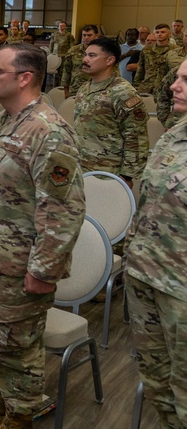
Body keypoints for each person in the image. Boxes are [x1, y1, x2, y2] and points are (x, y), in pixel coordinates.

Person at [0, 44, 85, 429]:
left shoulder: (49, 131)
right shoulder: (5, 121)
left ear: (25, 77)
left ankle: (20, 417)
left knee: (18, 347)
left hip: (20, 263)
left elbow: (62, 211)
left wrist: (43, 270)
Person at [125, 57, 187, 428]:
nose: (173, 86)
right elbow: (148, 201)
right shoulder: (173, 134)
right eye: (177, 77)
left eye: (184, 80)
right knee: (158, 385)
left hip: (181, 289)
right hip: (146, 276)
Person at [73, 37, 149, 185]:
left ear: (110, 60)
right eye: (86, 54)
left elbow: (136, 137)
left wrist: (126, 176)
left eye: (92, 55)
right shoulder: (84, 88)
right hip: (82, 169)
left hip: (108, 173)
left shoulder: (123, 92)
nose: (85, 59)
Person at [136, 23, 184, 99]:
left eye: (163, 32)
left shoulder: (176, 50)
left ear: (169, 34)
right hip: (146, 88)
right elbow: (140, 69)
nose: (159, 34)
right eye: (157, 32)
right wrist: (136, 85)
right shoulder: (147, 50)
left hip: (166, 89)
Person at [61, 24, 99, 98]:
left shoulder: (101, 52)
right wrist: (66, 91)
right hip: (75, 90)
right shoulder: (73, 51)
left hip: (94, 91)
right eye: (84, 35)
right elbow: (66, 71)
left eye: (89, 35)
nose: (86, 38)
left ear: (97, 35)